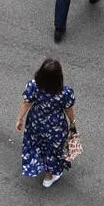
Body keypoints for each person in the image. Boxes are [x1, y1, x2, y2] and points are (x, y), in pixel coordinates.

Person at [16, 58, 76, 188]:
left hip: (36, 122)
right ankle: (48, 177)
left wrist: (19, 119)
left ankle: (37, 166)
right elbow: (68, 109)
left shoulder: (33, 86)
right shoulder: (65, 92)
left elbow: (26, 103)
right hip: (56, 126)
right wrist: (72, 122)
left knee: (36, 144)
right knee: (52, 150)